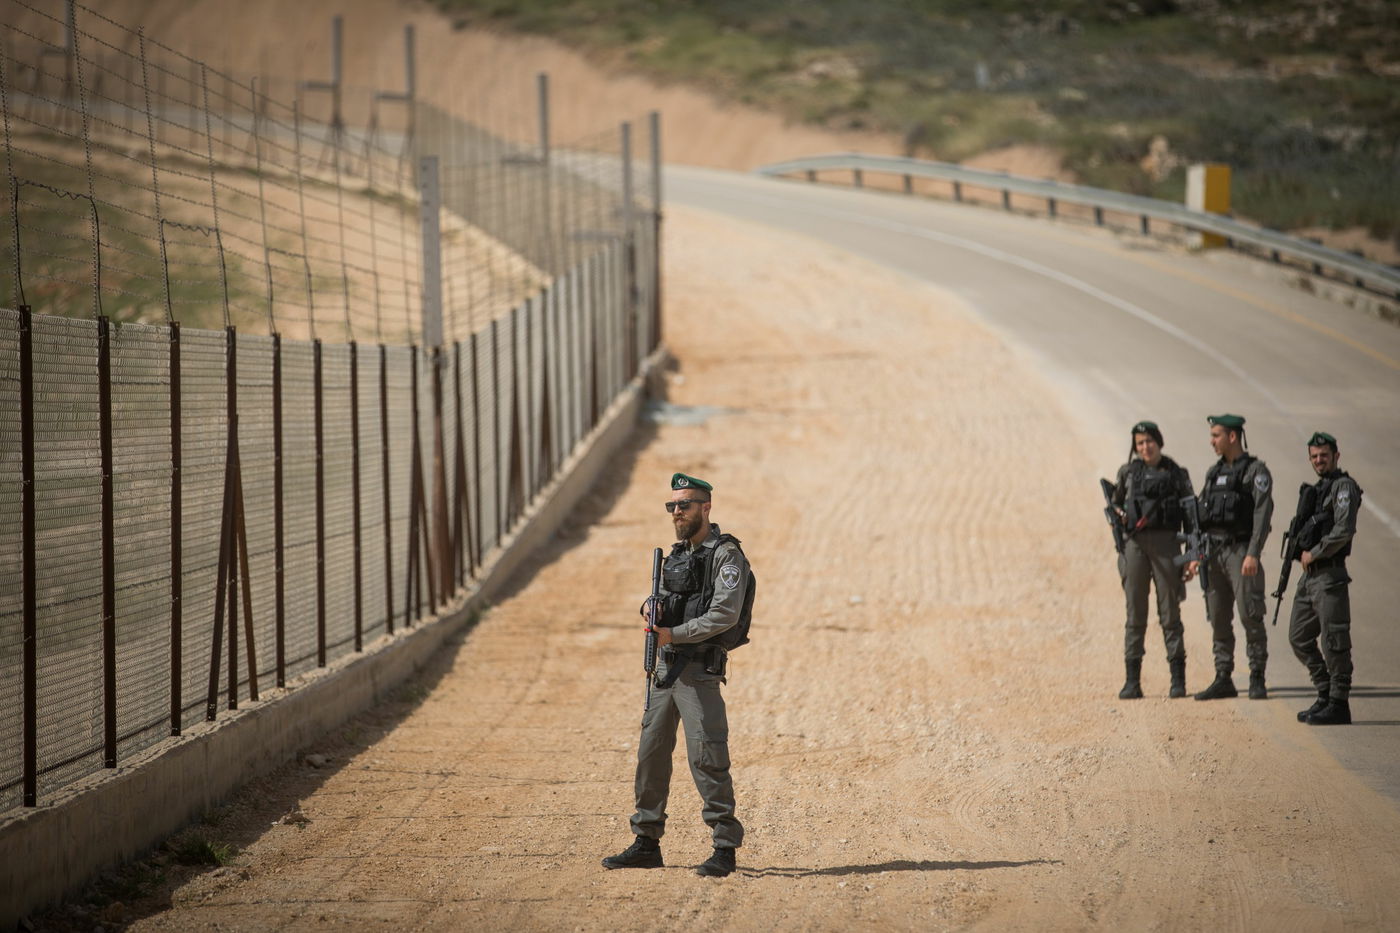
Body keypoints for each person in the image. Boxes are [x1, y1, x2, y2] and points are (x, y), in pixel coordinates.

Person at [602, 473, 749, 878]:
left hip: (698, 671)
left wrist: (675, 633)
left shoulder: (726, 555)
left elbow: (724, 613)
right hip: (665, 671)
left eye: (684, 505)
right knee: (650, 754)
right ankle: (647, 841)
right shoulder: (677, 554)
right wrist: (650, 609)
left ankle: (724, 846)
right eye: (671, 506)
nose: (676, 512)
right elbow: (665, 598)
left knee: (707, 757)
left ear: (706, 507)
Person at [1186, 414, 1273, 700]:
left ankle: (1257, 676)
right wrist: (1196, 554)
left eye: (1216, 436)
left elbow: (1262, 514)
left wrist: (1253, 553)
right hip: (1214, 554)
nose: (1211, 441)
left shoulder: (1255, 472)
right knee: (1219, 617)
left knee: (1250, 614)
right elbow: (1203, 516)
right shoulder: (1214, 473)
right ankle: (1223, 676)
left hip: (1240, 553)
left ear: (1232, 437)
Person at [1110, 421, 1194, 699]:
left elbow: (1191, 519)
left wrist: (1192, 557)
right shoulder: (1128, 473)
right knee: (1135, 614)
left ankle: (1178, 680)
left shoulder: (1176, 474)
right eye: (1139, 443)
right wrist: (1119, 519)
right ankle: (1132, 681)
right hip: (1135, 546)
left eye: (1149, 441)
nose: (1145, 447)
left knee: (1170, 613)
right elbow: (1116, 505)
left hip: (1167, 545)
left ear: (1159, 441)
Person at [1287, 432, 1363, 726]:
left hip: (1329, 573)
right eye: (1314, 456)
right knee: (1298, 636)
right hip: (1310, 577)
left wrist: (1316, 552)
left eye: (1324, 455)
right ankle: (1324, 691)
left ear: (1336, 456)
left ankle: (1338, 702)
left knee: (1334, 640)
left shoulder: (1343, 487)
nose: (1319, 460)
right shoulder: (1319, 489)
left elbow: (1344, 528)